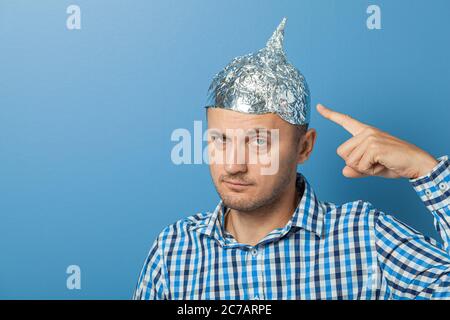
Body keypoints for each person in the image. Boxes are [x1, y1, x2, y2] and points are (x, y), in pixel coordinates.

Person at [133, 18, 450, 300]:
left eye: (258, 142)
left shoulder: (365, 236)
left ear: (304, 147)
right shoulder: (174, 251)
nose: (232, 165)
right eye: (220, 140)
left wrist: (424, 169)